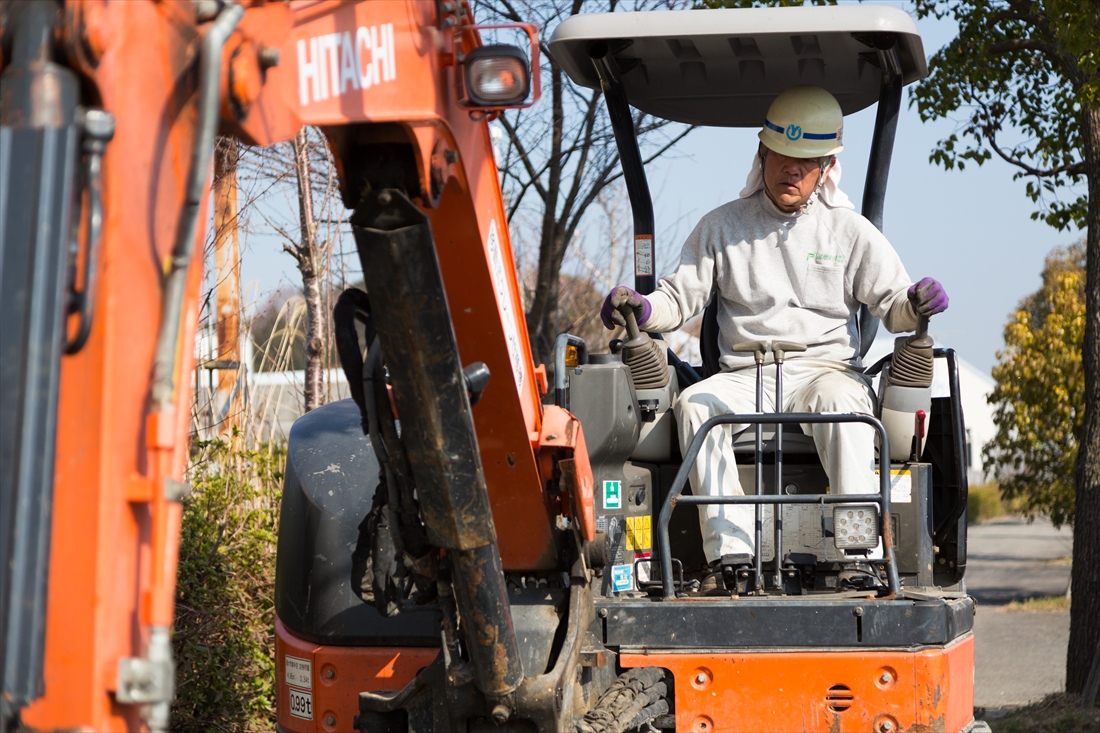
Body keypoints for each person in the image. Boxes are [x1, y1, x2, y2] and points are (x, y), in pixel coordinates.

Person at [598, 85, 949, 592]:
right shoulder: (721, 227)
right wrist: (644, 307)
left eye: (806, 162)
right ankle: (730, 557)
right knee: (696, 404)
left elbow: (893, 305)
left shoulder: (849, 232)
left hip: (823, 371)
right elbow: (679, 299)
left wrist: (916, 303)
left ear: (826, 167)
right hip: (745, 374)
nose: (792, 170)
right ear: (762, 155)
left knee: (846, 404)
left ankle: (858, 552)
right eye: (783, 157)